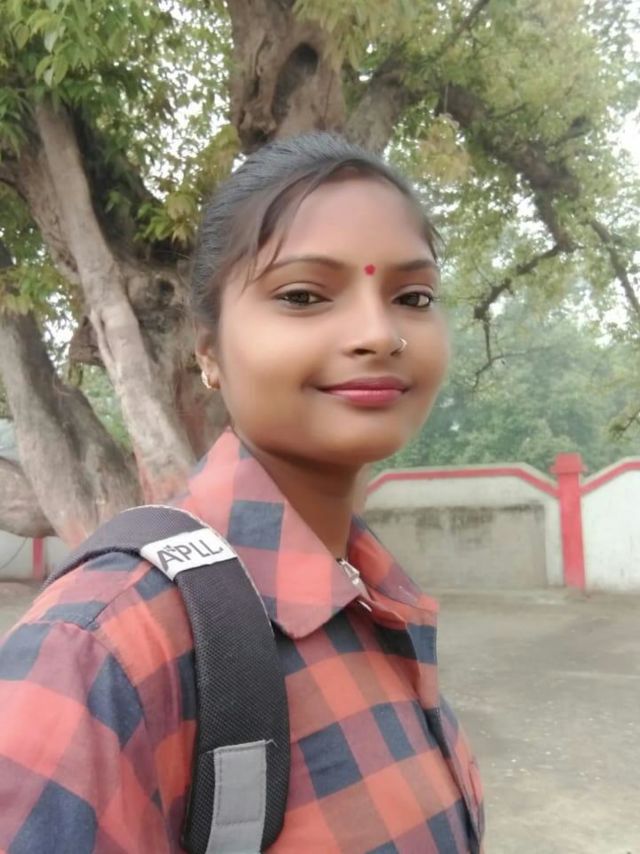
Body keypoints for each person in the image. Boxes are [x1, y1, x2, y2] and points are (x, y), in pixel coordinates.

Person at [0, 133, 485, 853]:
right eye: (303, 295)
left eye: (412, 297)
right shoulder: (105, 648)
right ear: (208, 353)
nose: (380, 334)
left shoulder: (377, 595)